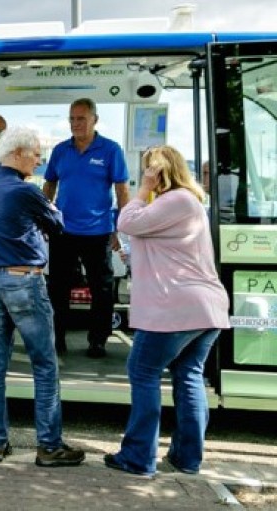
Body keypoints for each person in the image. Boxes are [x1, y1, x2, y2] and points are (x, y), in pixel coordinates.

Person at [104, 145, 230, 477]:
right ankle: (186, 458)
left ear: (159, 171)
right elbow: (159, 246)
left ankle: (138, 457)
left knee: (143, 371)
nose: (145, 175)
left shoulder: (174, 200)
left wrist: (142, 189)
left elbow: (126, 221)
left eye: (149, 169)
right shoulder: (188, 203)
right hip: (203, 308)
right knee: (188, 376)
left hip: (175, 307)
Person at [0, 125, 85, 467]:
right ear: (16, 153)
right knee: (45, 364)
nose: (39, 161)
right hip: (23, 281)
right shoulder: (25, 191)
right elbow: (58, 224)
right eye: (36, 154)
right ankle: (49, 446)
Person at [43, 98, 130, 358]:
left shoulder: (111, 150)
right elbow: (49, 185)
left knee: (101, 289)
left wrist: (121, 227)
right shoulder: (60, 150)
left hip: (98, 231)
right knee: (58, 288)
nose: (75, 123)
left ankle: (98, 341)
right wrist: (45, 218)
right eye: (72, 118)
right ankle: (56, 338)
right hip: (63, 231)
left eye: (81, 118)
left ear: (95, 119)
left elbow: (122, 190)